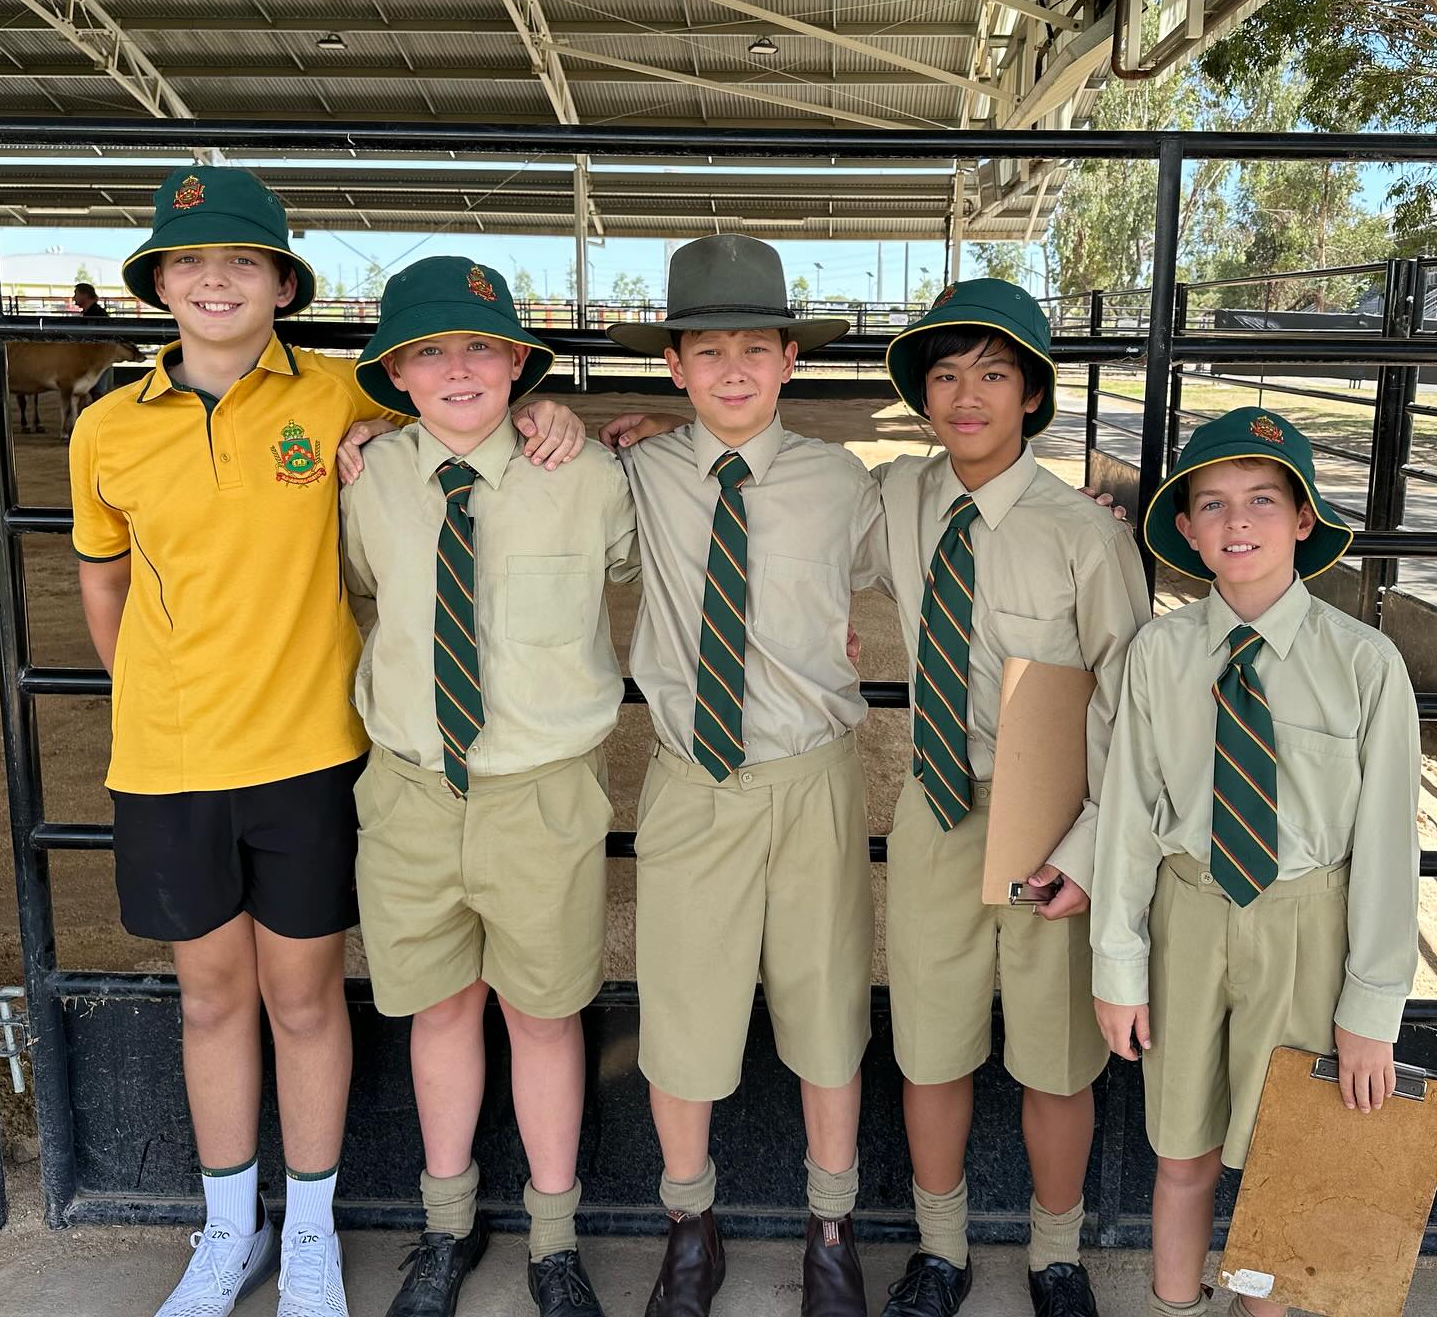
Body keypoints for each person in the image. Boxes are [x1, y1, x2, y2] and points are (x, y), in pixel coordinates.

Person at [68, 166, 584, 1317]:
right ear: (157, 283)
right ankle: (223, 1229)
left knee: (304, 997)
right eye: (192, 263)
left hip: (306, 752)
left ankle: (308, 1229)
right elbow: (101, 587)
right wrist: (154, 694)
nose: (215, 280)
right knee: (210, 997)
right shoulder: (106, 429)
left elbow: (465, 405)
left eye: (242, 263)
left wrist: (562, 410)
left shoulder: (339, 400)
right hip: (167, 761)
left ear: (282, 285)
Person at [341, 256, 635, 1317]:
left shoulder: (588, 475)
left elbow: (668, 525)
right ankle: (447, 1223)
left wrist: (620, 422)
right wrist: (354, 445)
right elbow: (364, 590)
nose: (456, 369)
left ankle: (554, 1239)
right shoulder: (366, 479)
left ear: (519, 361)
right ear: (397, 376)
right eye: (428, 353)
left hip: (540, 793)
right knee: (439, 1008)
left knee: (547, 1015)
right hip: (414, 789)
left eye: (479, 347)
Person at [601, 234, 888, 1317]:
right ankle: (690, 1220)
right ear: (673, 365)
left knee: (826, 1010)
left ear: (790, 361)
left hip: (812, 776)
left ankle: (832, 1220)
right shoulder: (636, 474)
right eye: (706, 349)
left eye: (754, 349)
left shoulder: (840, 483)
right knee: (681, 1009)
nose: (731, 369)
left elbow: (935, 540)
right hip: (691, 777)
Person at [1090, 407, 1420, 1317]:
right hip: (1188, 913)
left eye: (1264, 502)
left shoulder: (1365, 664)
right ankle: (1173, 1299)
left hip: (1307, 923)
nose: (1238, 522)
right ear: (1187, 529)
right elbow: (1127, 820)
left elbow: (1389, 846)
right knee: (1181, 1147)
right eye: (1214, 504)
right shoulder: (1159, 655)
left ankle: (1262, 1309)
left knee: (1290, 1151)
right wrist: (1118, 966)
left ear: (1305, 520)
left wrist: (1372, 1007)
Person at [873, 279, 1149, 1317]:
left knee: (1055, 1058)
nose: (966, 395)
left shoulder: (1085, 534)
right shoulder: (898, 497)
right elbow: (784, 504)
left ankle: (1057, 1254)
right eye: (944, 375)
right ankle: (940, 1252)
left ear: (1032, 394)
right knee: (930, 1045)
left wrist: (1086, 849)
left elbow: (1126, 701)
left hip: (1051, 811)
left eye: (992, 372)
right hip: (937, 802)